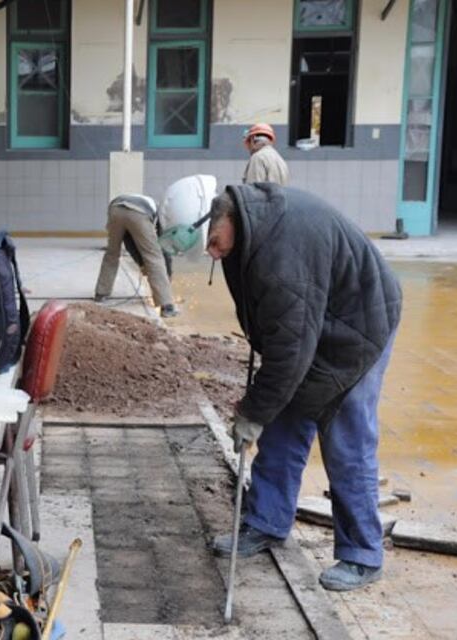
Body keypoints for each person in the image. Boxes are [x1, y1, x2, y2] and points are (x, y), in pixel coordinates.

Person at [206, 184, 402, 592]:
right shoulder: (248, 229)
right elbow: (283, 332)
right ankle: (267, 522)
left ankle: (363, 554)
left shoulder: (281, 254)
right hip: (319, 324)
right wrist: (263, 410)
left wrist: (253, 413)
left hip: (361, 326)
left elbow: (289, 352)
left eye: (211, 240)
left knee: (346, 437)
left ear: (224, 217)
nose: (210, 251)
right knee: (282, 422)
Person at [94, 194, 178, 318]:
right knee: (154, 257)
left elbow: (129, 243)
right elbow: (161, 249)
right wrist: (167, 274)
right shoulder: (160, 215)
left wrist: (142, 264)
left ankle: (101, 293)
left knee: (112, 253)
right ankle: (167, 306)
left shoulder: (150, 202)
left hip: (115, 208)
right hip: (139, 213)